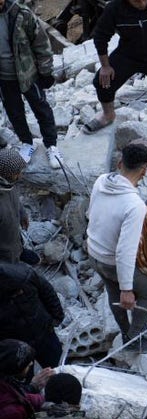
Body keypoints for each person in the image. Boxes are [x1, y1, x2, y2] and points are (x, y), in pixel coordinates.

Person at [87, 144, 147, 351]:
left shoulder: (102, 180)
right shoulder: (133, 204)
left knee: (112, 291)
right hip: (111, 260)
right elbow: (125, 251)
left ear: (120, 163)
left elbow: (91, 213)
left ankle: (124, 329)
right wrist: (127, 289)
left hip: (93, 252)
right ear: (144, 170)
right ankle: (134, 338)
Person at [84, 0, 147, 135]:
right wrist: (105, 66)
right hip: (129, 54)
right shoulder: (115, 8)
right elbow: (100, 36)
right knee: (103, 81)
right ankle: (108, 115)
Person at [0, 0, 61, 166]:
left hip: (28, 74)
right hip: (4, 78)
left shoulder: (21, 13)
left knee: (41, 108)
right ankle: (27, 143)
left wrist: (46, 71)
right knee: (14, 112)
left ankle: (52, 146)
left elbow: (41, 43)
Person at [0, 261, 64, 368]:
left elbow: (47, 292)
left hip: (43, 331)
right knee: (24, 376)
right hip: (16, 344)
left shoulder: (24, 274)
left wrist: (56, 317)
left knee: (59, 365)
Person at [0, 340, 51, 419]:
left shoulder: (6, 385)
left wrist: (33, 388)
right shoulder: (12, 413)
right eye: (27, 363)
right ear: (14, 368)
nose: (32, 364)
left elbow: (16, 395)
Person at [0, 149, 27, 263]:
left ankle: (19, 252)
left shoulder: (9, 184)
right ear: (8, 174)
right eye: (18, 172)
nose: (21, 175)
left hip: (14, 239)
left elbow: (16, 200)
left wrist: (22, 214)